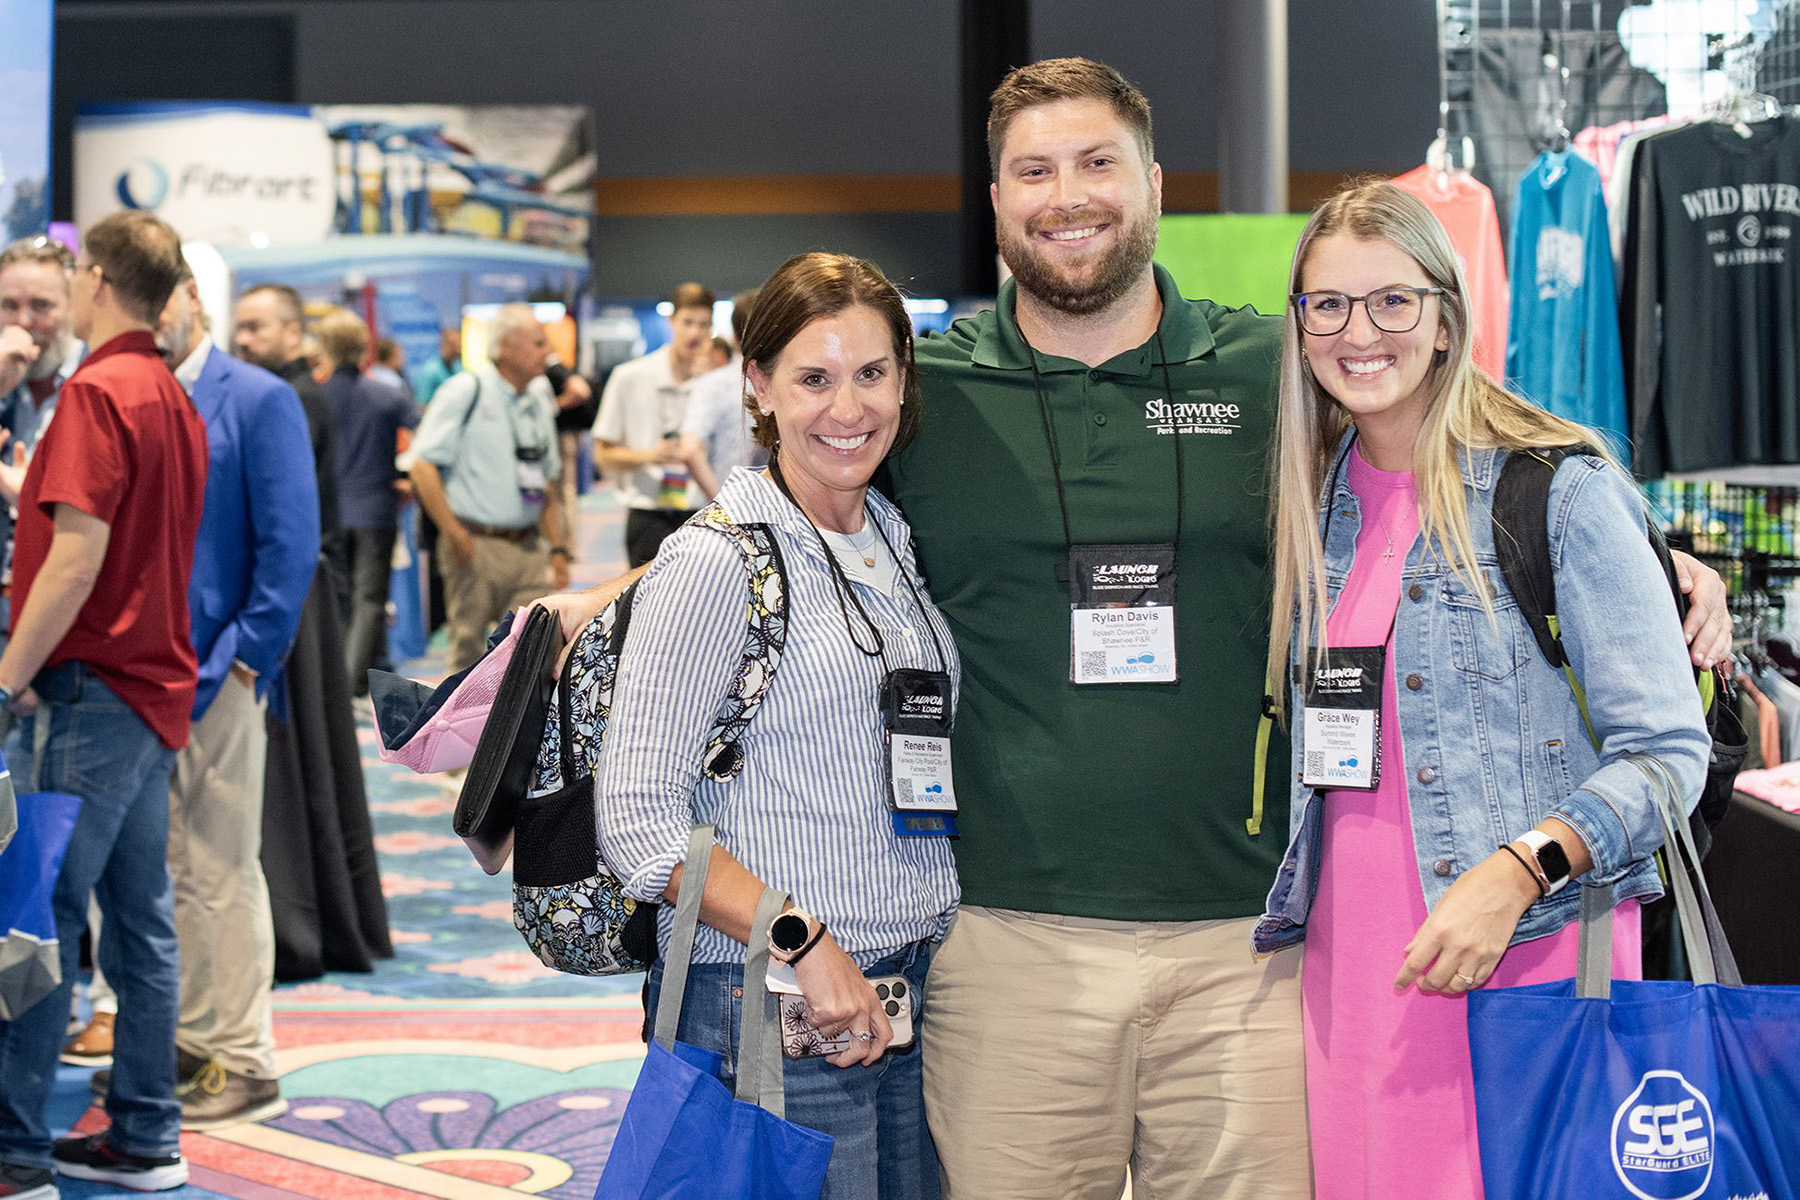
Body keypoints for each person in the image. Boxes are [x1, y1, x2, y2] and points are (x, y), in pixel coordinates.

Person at [532, 56, 1732, 1200]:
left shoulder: (1277, 371)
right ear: (997, 199)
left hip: (1249, 952)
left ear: (1153, 185)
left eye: (1097, 163)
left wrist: (1653, 562)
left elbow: (1434, 456)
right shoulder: (928, 393)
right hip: (1007, 949)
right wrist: (608, 597)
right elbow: (804, 520)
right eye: (1035, 171)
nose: (1069, 197)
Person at [1253, 179, 1710, 1198]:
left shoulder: (1557, 488)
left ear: (1446, 318)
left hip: (1527, 960)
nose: (1358, 332)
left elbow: (1667, 756)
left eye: (1392, 301)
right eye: (1328, 304)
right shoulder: (1314, 499)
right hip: (1354, 975)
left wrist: (1517, 872)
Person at [588, 252, 957, 1200]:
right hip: (770, 1000)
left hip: (901, 993)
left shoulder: (889, 536)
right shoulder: (717, 562)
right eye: (813, 379)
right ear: (758, 386)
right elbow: (636, 823)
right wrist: (801, 939)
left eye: (871, 373)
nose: (849, 408)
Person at [0, 210, 206, 1200]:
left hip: (87, 693)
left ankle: (15, 1154)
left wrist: (6, 677)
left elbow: (76, 562)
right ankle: (145, 1135)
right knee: (139, 924)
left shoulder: (97, 391)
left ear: (98, 283)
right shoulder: (168, 391)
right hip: (147, 693)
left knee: (37, 920)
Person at [155, 260, 319, 1130]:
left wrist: (249, 656)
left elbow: (291, 542)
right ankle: (194, 1039)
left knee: (220, 865)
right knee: (173, 867)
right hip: (146, 673)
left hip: (222, 669)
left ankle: (245, 1058)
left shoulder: (256, 396)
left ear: (190, 293)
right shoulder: (139, 391)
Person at [408, 303, 568, 672]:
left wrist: (558, 548)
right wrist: (454, 533)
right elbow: (421, 466)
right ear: (506, 346)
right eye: (538, 343)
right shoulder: (467, 390)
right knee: (468, 656)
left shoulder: (538, 398)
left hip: (528, 548)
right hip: (475, 545)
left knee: (532, 656)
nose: (547, 352)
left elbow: (546, 481)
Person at [316, 308, 419, 695]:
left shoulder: (314, 398)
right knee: (370, 600)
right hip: (376, 510)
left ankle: (338, 684)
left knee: (337, 599)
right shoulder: (387, 396)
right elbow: (426, 435)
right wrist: (407, 478)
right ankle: (349, 686)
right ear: (364, 347)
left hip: (327, 514)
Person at [593, 281, 715, 566]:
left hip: (704, 515)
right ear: (672, 321)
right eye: (688, 322)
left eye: (703, 325)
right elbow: (603, 455)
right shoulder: (629, 377)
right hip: (648, 517)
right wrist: (649, 456)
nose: (695, 333)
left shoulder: (718, 384)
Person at [0, 237, 83, 623]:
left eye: (41, 305)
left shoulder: (99, 384)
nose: (23, 322)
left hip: (67, 620)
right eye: (9, 305)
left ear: (73, 306)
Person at [233, 284, 341, 573]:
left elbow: (284, 506)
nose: (243, 339)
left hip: (298, 572)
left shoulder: (293, 396)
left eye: (254, 327)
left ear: (293, 332)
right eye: (240, 328)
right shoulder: (281, 392)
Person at [679, 286, 765, 502]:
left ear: (734, 338)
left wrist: (723, 505)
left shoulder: (712, 384)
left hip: (734, 502)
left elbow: (689, 450)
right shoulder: (797, 380)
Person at [412, 324, 462, 404]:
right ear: (443, 345)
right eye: (453, 344)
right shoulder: (431, 371)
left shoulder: (459, 367)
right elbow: (422, 404)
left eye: (459, 343)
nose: (457, 348)